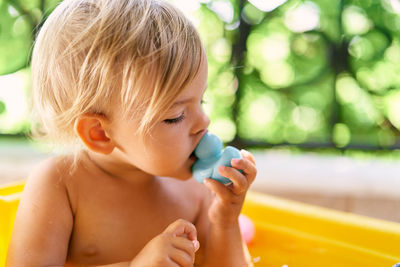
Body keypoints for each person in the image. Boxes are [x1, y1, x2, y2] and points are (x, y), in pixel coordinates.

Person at [6, 0, 257, 266]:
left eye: (201, 101)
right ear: (100, 134)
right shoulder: (60, 186)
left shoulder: (196, 190)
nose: (204, 122)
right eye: (175, 116)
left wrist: (225, 222)